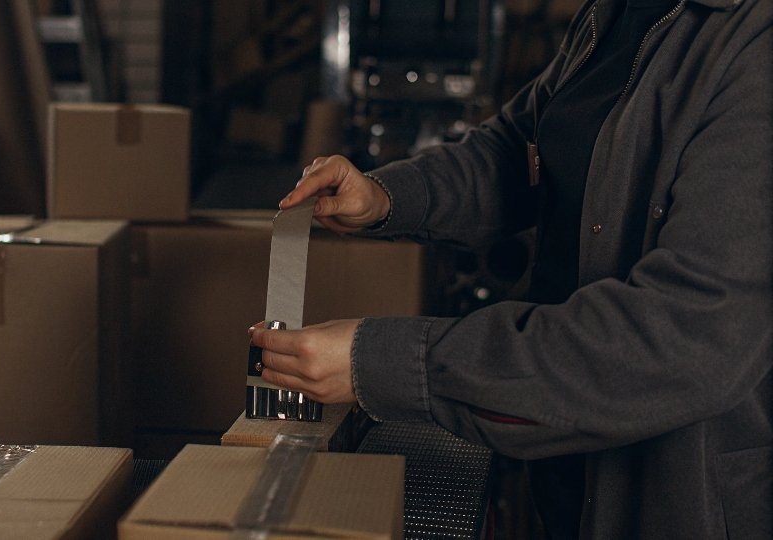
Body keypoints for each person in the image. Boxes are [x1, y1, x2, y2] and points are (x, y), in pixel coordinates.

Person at [248, 0, 772, 537]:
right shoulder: (614, 13)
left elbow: (688, 335)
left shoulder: (755, 43)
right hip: (564, 462)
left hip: (680, 496)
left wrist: (380, 362)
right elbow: (517, 149)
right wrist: (386, 195)